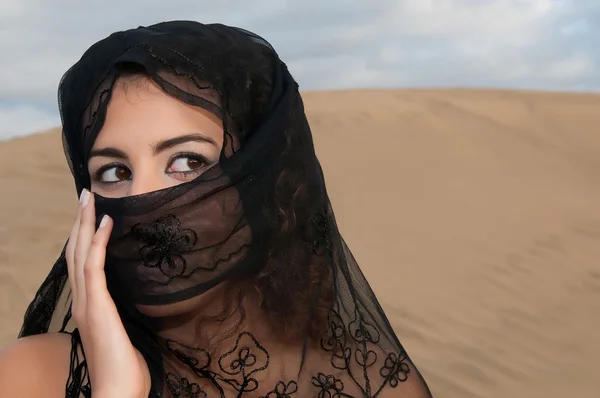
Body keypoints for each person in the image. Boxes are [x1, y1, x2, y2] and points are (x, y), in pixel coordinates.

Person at [0, 21, 433, 397]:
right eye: (113, 172)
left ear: (263, 181)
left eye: (188, 163)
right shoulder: (33, 377)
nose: (142, 203)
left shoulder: (378, 385)